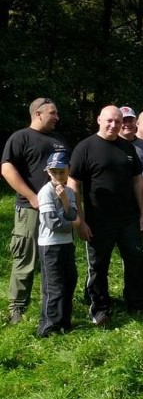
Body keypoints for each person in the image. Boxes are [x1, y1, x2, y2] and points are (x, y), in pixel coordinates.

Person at [68, 105, 143, 325]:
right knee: (98, 266)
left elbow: (137, 180)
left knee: (136, 261)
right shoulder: (85, 148)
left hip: (129, 218)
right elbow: (73, 182)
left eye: (118, 121)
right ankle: (100, 309)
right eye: (109, 121)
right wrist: (80, 220)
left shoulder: (127, 148)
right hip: (98, 220)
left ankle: (136, 303)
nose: (114, 125)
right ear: (99, 120)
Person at [2, 97, 69, 324]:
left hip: (59, 210)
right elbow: (7, 169)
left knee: (56, 259)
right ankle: (17, 308)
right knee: (25, 257)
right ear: (38, 114)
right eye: (53, 113)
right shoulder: (21, 137)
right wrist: (32, 197)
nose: (57, 117)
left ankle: (51, 307)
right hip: (30, 209)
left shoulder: (59, 140)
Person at [36, 151, 81, 336]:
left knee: (69, 281)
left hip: (66, 244)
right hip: (50, 245)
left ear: (68, 171)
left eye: (62, 172)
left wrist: (64, 201)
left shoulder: (69, 192)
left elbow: (71, 215)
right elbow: (53, 224)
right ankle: (48, 328)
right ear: (48, 172)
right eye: (54, 172)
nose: (59, 176)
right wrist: (73, 223)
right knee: (54, 286)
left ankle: (64, 323)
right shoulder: (45, 192)